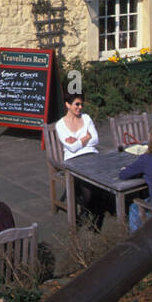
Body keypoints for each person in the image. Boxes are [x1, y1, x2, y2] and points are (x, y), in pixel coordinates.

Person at [55, 91, 105, 222]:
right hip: (73, 160)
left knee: (102, 174)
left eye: (81, 104)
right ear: (68, 105)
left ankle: (90, 209)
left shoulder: (86, 118)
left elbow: (96, 140)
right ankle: (89, 212)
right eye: (77, 104)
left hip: (91, 155)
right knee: (86, 182)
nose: (80, 107)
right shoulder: (60, 125)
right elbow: (71, 148)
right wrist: (86, 137)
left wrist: (78, 141)